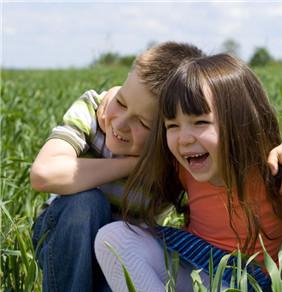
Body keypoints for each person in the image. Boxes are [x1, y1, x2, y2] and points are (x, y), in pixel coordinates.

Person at [94, 56, 282, 291]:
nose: (184, 137)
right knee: (112, 237)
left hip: (246, 281)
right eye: (173, 125)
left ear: (239, 122)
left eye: (199, 122)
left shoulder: (280, 170)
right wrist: (108, 103)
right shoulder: (181, 165)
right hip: (193, 261)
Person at [30, 42, 205, 292]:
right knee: (86, 202)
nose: (120, 123)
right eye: (121, 102)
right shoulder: (92, 110)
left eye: (143, 123)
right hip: (64, 240)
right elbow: (44, 173)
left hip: (118, 250)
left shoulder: (175, 154)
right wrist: (133, 164)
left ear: (170, 131)